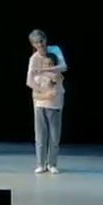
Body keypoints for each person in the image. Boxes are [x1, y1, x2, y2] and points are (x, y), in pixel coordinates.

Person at [26, 29, 67, 174]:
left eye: (42, 41)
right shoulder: (34, 59)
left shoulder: (54, 51)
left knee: (54, 135)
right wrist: (43, 93)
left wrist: (45, 70)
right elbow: (30, 81)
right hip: (40, 101)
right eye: (37, 43)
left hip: (55, 102)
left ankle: (52, 163)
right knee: (40, 135)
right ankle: (41, 163)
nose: (40, 44)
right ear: (33, 44)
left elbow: (63, 67)